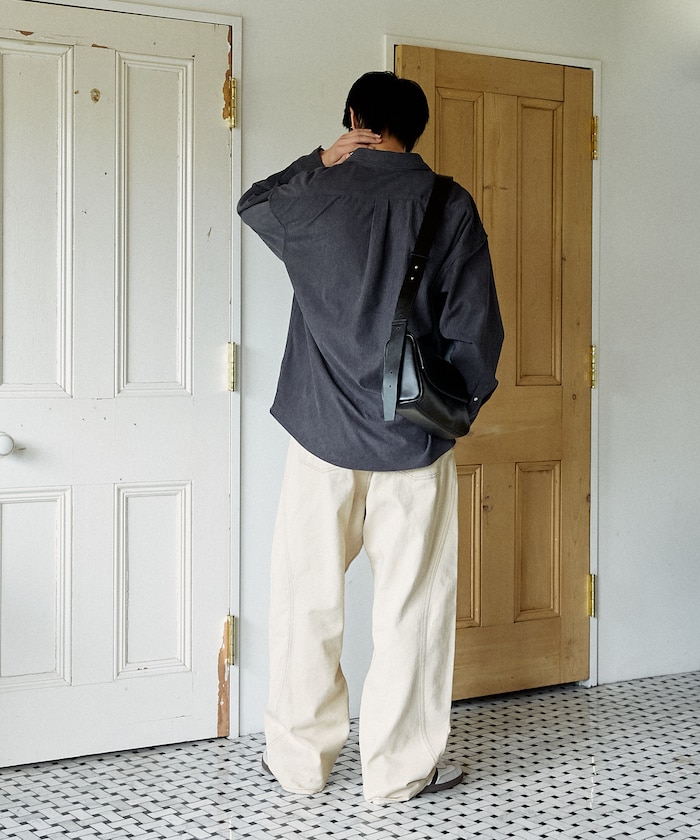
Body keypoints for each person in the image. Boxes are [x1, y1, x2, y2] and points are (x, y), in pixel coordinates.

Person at [237, 71, 503, 804]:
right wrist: (453, 415)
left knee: (305, 602)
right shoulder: (449, 203)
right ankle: (398, 772)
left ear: (355, 118)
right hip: (412, 445)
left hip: (318, 437)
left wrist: (319, 160)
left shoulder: (314, 197)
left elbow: (252, 203)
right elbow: (476, 334)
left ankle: (299, 765)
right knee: (413, 610)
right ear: (415, 128)